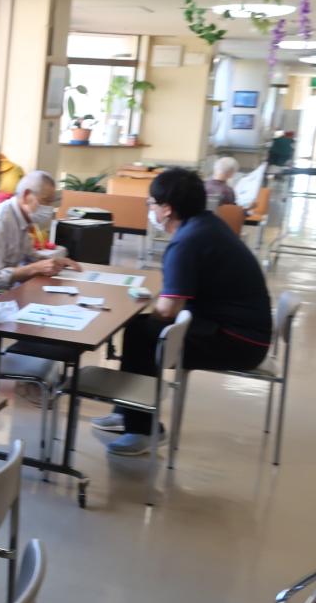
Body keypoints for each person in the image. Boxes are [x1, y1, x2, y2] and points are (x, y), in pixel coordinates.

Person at [92, 168, 272, 455]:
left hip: (240, 342)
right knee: (140, 330)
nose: (150, 209)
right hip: (246, 331)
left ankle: (142, 429)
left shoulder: (187, 242)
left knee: (142, 335)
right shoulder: (207, 224)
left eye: (151, 203)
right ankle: (128, 411)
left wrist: (130, 311)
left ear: (167, 209)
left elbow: (167, 310)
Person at [0, 170, 82, 298]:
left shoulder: (23, 218)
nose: (49, 208)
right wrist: (34, 268)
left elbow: (30, 257)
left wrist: (54, 263)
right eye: (45, 201)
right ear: (26, 195)